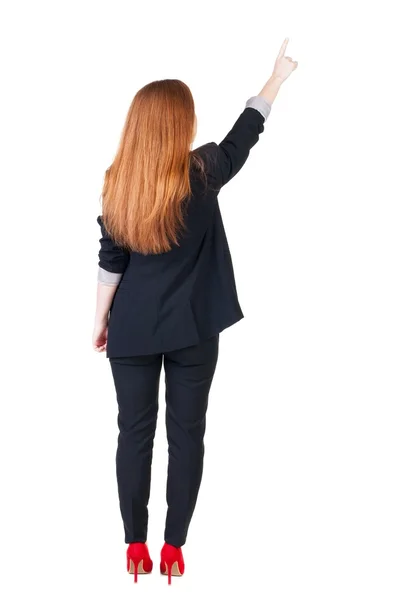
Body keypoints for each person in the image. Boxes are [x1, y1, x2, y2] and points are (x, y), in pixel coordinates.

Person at [92, 37, 298, 584]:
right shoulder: (202, 170)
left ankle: (135, 546)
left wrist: (99, 322)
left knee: (132, 435)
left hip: (132, 332)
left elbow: (110, 262)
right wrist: (275, 79)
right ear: (179, 125)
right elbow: (243, 137)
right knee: (187, 434)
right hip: (194, 330)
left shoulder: (118, 184)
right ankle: (174, 549)